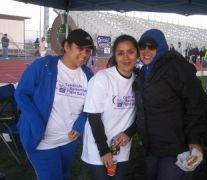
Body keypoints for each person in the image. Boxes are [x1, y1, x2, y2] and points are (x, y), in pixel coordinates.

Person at [15, 29, 94, 180]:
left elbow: (91, 105)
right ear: (66, 46)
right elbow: (21, 93)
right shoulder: (43, 66)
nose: (84, 54)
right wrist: (36, 123)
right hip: (42, 141)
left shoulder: (88, 74)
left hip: (68, 141)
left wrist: (80, 123)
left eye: (88, 50)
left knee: (64, 175)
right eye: (80, 48)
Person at [134, 29, 207, 180]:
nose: (146, 51)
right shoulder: (144, 71)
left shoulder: (176, 66)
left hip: (175, 147)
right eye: (142, 46)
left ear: (161, 47)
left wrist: (194, 140)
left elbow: (196, 102)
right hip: (152, 145)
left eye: (151, 46)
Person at [81, 34, 138, 180]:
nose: (126, 58)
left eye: (130, 52)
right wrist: (104, 150)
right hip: (98, 148)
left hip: (122, 148)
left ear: (137, 54)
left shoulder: (139, 81)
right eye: (120, 53)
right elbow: (93, 117)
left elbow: (141, 115)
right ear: (115, 56)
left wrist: (129, 133)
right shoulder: (102, 78)